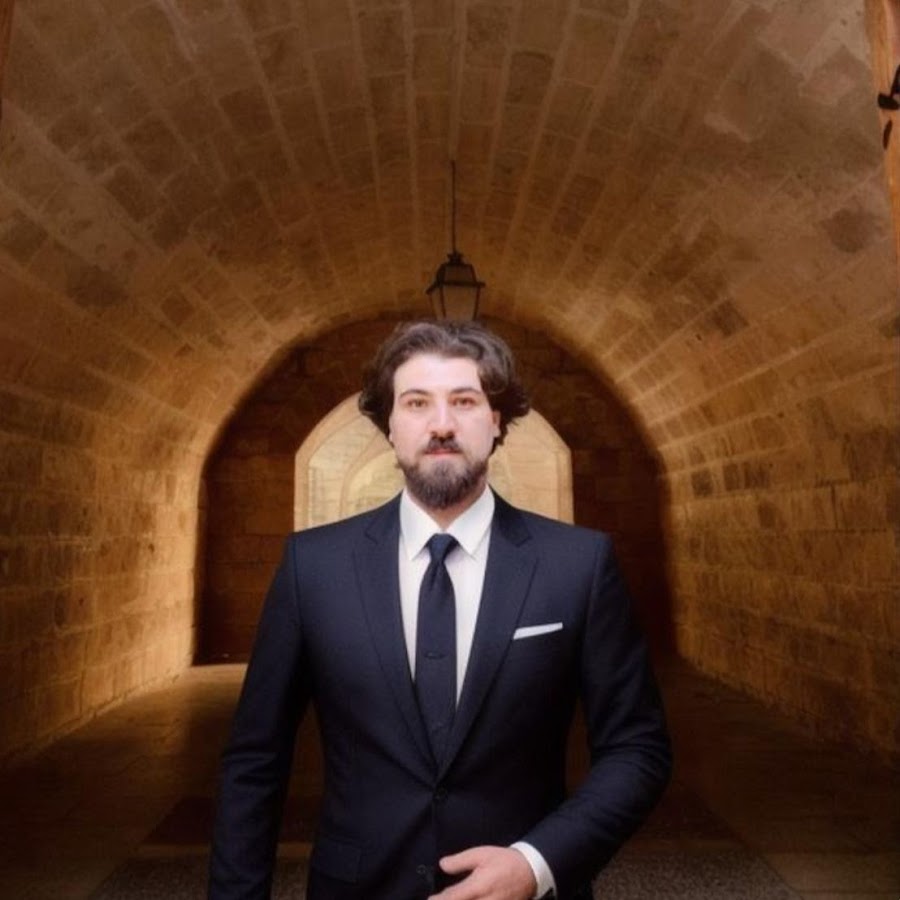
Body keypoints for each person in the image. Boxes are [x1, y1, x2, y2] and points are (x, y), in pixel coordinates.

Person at [208, 320, 671, 900]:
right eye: (417, 402)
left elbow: (637, 749)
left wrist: (536, 863)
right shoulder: (313, 566)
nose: (442, 424)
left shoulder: (579, 564)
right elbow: (255, 760)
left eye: (465, 401)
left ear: (496, 420)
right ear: (389, 424)